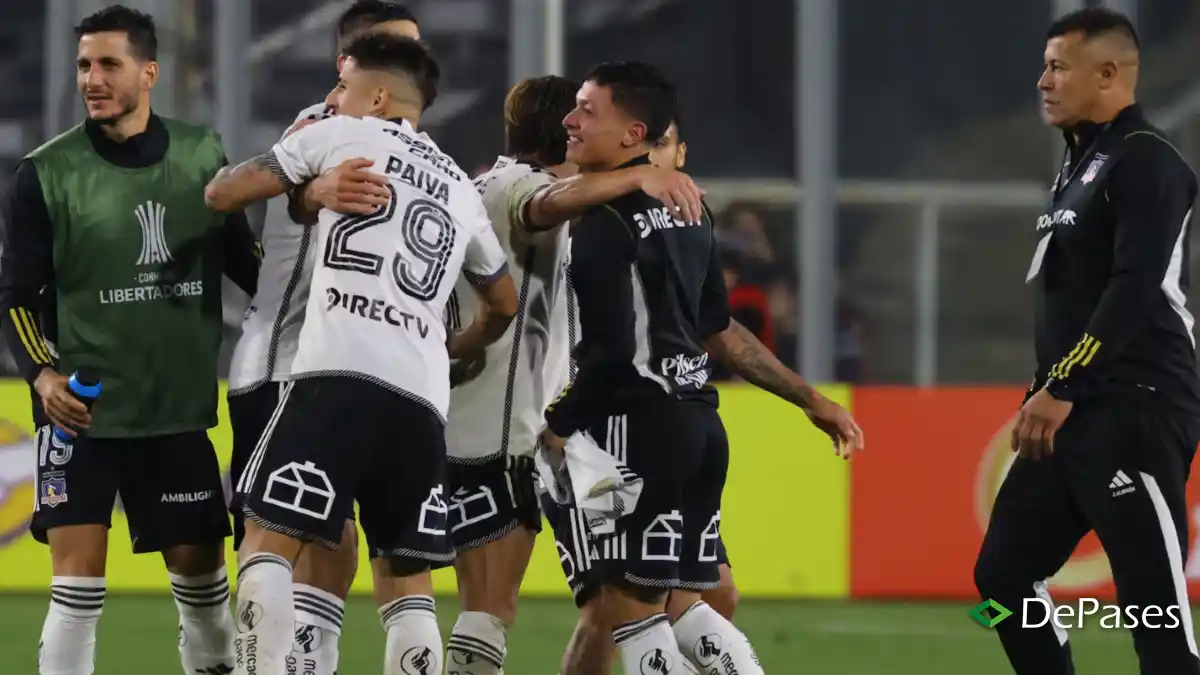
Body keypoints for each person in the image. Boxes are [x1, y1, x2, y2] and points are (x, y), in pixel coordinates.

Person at [205, 33, 517, 675]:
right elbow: (505, 300)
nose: (333, 97)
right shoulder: (459, 183)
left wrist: (310, 183)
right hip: (422, 398)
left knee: (265, 546)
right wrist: (455, 344)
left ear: (376, 97)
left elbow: (223, 194)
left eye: (343, 86)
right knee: (408, 585)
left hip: (335, 376)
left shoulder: (341, 134)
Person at [545, 114, 863, 675]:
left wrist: (808, 397)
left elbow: (718, 328)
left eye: (662, 151)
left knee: (701, 596)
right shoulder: (580, 209)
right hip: (595, 433)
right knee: (619, 607)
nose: (652, 166)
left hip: (660, 421)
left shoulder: (686, 228)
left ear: (680, 155)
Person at [0, 6, 261, 675]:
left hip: (172, 412)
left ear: (149, 72)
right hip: (78, 411)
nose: (93, 78)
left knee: (205, 595)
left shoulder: (204, 156)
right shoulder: (43, 173)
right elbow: (17, 295)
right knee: (75, 591)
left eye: (108, 64)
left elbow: (249, 266)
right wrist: (42, 375)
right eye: (85, 64)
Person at [441, 75, 704, 674]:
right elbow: (545, 203)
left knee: (629, 597)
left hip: (551, 443)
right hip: (504, 440)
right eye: (580, 117)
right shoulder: (517, 187)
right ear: (565, 130)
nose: (584, 128)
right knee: (491, 608)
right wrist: (640, 174)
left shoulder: (482, 187)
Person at [974, 9, 1200, 675]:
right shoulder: (1081, 163)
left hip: (1136, 405)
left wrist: (1061, 385)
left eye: (1059, 66)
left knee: (1153, 613)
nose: (1043, 80)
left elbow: (1133, 285)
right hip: (1070, 409)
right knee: (1000, 582)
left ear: (1108, 74)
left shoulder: (1148, 160)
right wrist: (1051, 389)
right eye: (1045, 65)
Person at [537, 61, 765, 675]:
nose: (571, 119)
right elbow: (715, 322)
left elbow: (612, 350)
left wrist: (558, 423)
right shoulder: (692, 211)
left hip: (632, 432)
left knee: (631, 611)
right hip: (699, 424)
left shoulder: (601, 221)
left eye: (588, 110)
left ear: (634, 133)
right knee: (688, 605)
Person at [224, 3, 418, 673]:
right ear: (349, 66)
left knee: (339, 543)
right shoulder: (321, 126)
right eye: (392, 54)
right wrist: (313, 190)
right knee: (288, 540)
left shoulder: (410, 151)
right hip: (287, 367)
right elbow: (260, 195)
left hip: (355, 370)